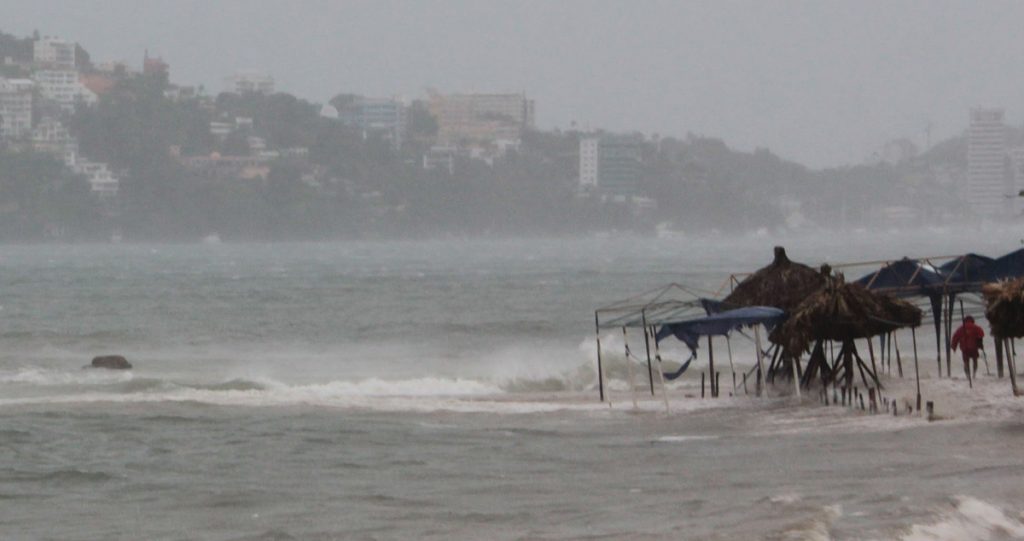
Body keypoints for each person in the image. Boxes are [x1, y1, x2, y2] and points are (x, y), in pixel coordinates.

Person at [951, 315, 985, 380]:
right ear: (972, 321)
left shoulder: (961, 328)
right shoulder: (976, 327)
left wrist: (953, 347)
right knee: (975, 360)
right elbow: (981, 334)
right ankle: (974, 374)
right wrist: (980, 344)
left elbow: (955, 338)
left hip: (965, 348)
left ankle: (967, 376)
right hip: (974, 347)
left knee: (966, 362)